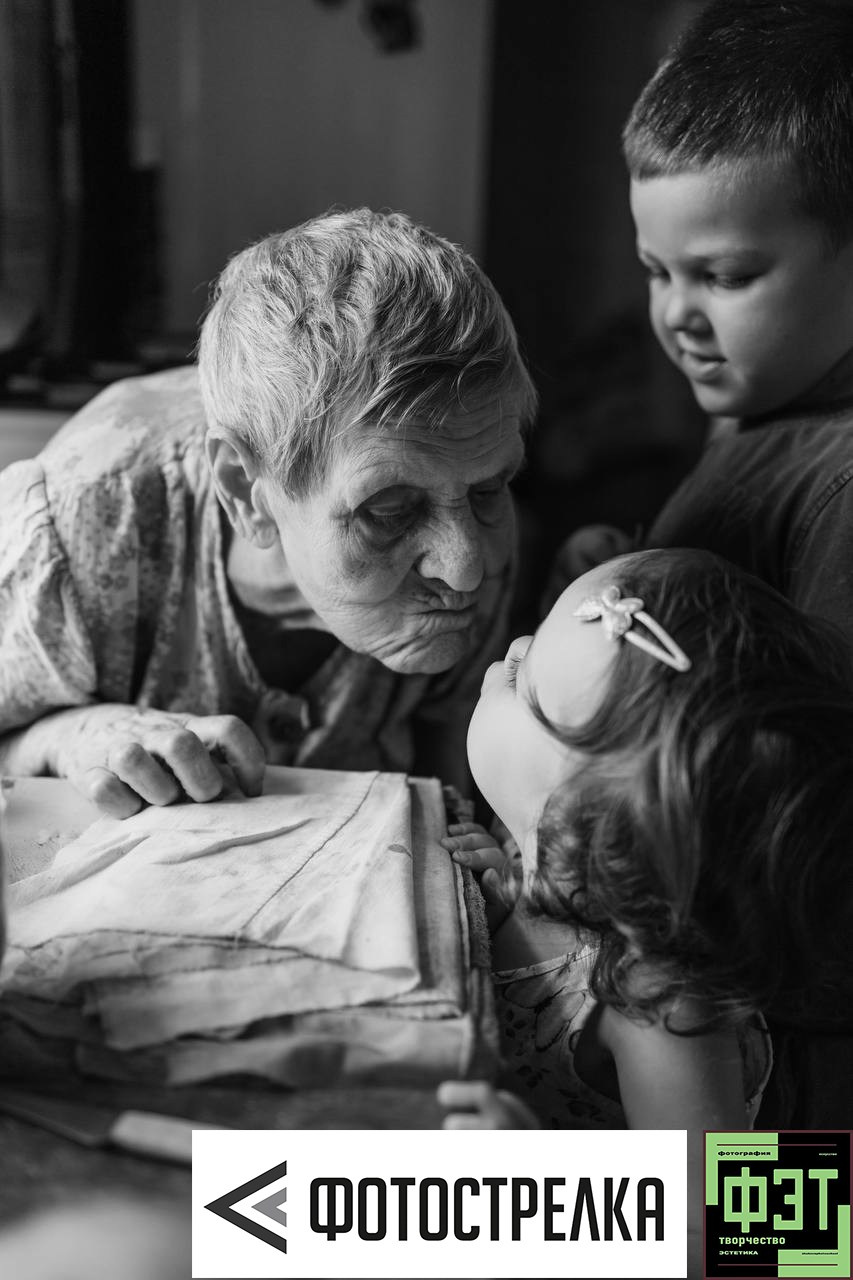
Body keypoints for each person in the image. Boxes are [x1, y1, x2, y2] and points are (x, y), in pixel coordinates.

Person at [544, 0, 853, 1124]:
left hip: (786, 1095)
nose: (675, 314)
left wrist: (556, 786)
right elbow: (738, 647)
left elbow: (802, 800)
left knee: (318, 1200)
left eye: (723, 275)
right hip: (699, 1014)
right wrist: (625, 577)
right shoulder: (765, 412)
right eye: (655, 269)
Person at [0, 209, 536, 818]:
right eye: (390, 510)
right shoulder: (84, 526)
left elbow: (454, 782)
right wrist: (71, 736)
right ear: (244, 491)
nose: (468, 568)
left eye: (492, 489)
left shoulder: (470, 507)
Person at [436, 548, 853, 1276]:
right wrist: (504, 893)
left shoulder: (662, 1007)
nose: (515, 646)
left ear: (575, 826)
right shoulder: (550, 867)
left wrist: (539, 1189)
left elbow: (780, 1241)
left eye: (522, 681)